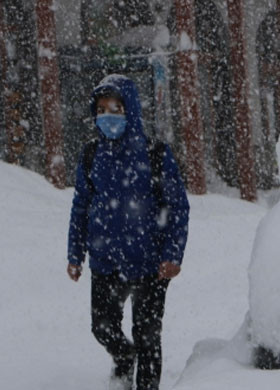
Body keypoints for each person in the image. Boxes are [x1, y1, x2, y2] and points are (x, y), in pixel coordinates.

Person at [66, 74, 190, 390]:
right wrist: (75, 253)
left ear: (130, 110)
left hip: (150, 263)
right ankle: (124, 356)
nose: (108, 116)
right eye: (102, 109)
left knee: (147, 335)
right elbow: (81, 205)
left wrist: (172, 254)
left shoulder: (155, 154)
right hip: (105, 259)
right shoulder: (91, 154)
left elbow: (177, 207)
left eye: (116, 108)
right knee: (102, 327)